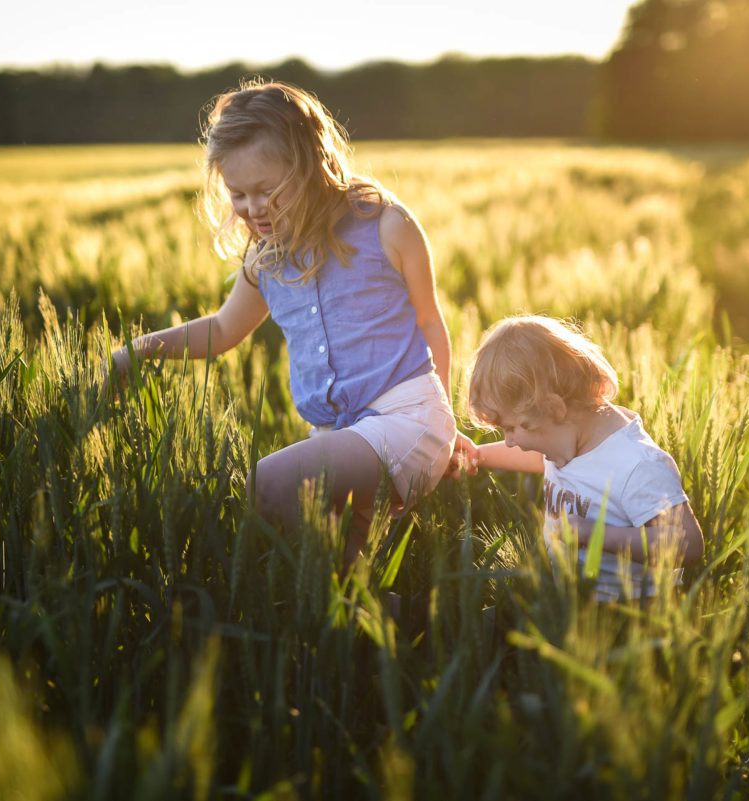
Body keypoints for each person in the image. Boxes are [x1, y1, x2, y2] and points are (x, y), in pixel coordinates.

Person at [108, 80, 459, 563]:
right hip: (335, 438)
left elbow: (430, 322)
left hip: (407, 419)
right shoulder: (266, 260)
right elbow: (222, 329)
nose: (254, 209)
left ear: (312, 165)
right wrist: (140, 349)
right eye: (238, 194)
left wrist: (449, 422)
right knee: (338, 575)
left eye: (268, 190)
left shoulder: (385, 225)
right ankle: (384, 610)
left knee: (266, 485)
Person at [453, 315, 703, 601]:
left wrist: (598, 536)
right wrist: (479, 455)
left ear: (554, 408)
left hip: (630, 609)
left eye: (512, 428)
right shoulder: (564, 438)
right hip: (570, 600)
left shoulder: (637, 464)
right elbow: (536, 457)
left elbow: (689, 543)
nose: (509, 441)